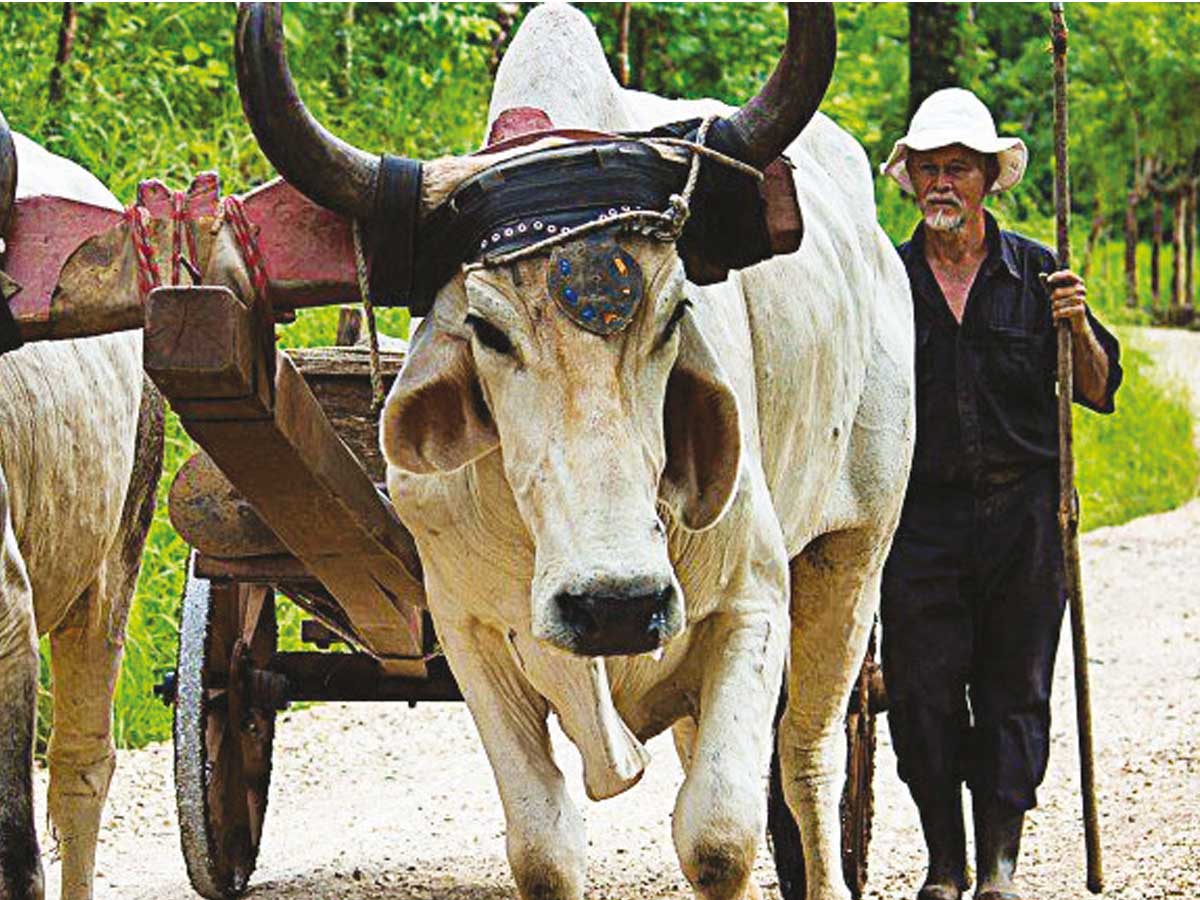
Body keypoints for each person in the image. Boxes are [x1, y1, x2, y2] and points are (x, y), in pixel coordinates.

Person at [878, 88, 1123, 900]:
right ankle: (943, 866)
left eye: (957, 169)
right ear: (908, 179)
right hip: (920, 518)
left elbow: (1097, 388)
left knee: (1017, 689)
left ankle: (999, 869)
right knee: (921, 694)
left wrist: (1077, 324)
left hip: (1027, 516)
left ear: (987, 178)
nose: (941, 184)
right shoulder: (888, 281)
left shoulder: (1037, 277)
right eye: (927, 170)